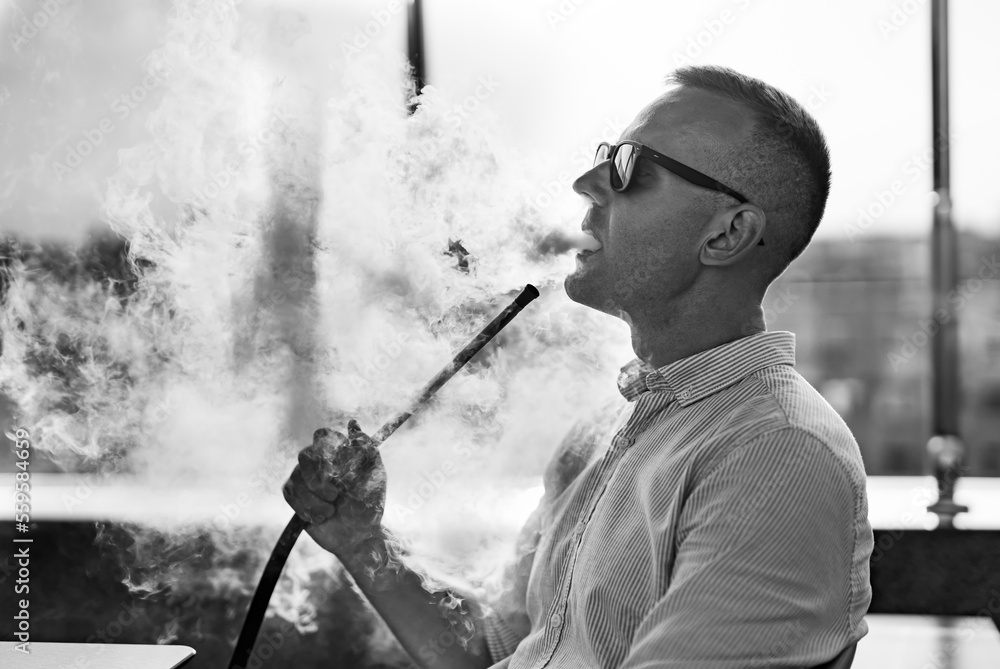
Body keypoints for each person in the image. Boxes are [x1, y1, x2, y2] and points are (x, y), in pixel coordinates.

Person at [283, 64, 873, 669]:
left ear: (726, 235)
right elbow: (497, 650)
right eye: (604, 156)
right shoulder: (605, 431)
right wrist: (364, 543)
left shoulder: (776, 454)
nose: (586, 183)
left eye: (629, 168)